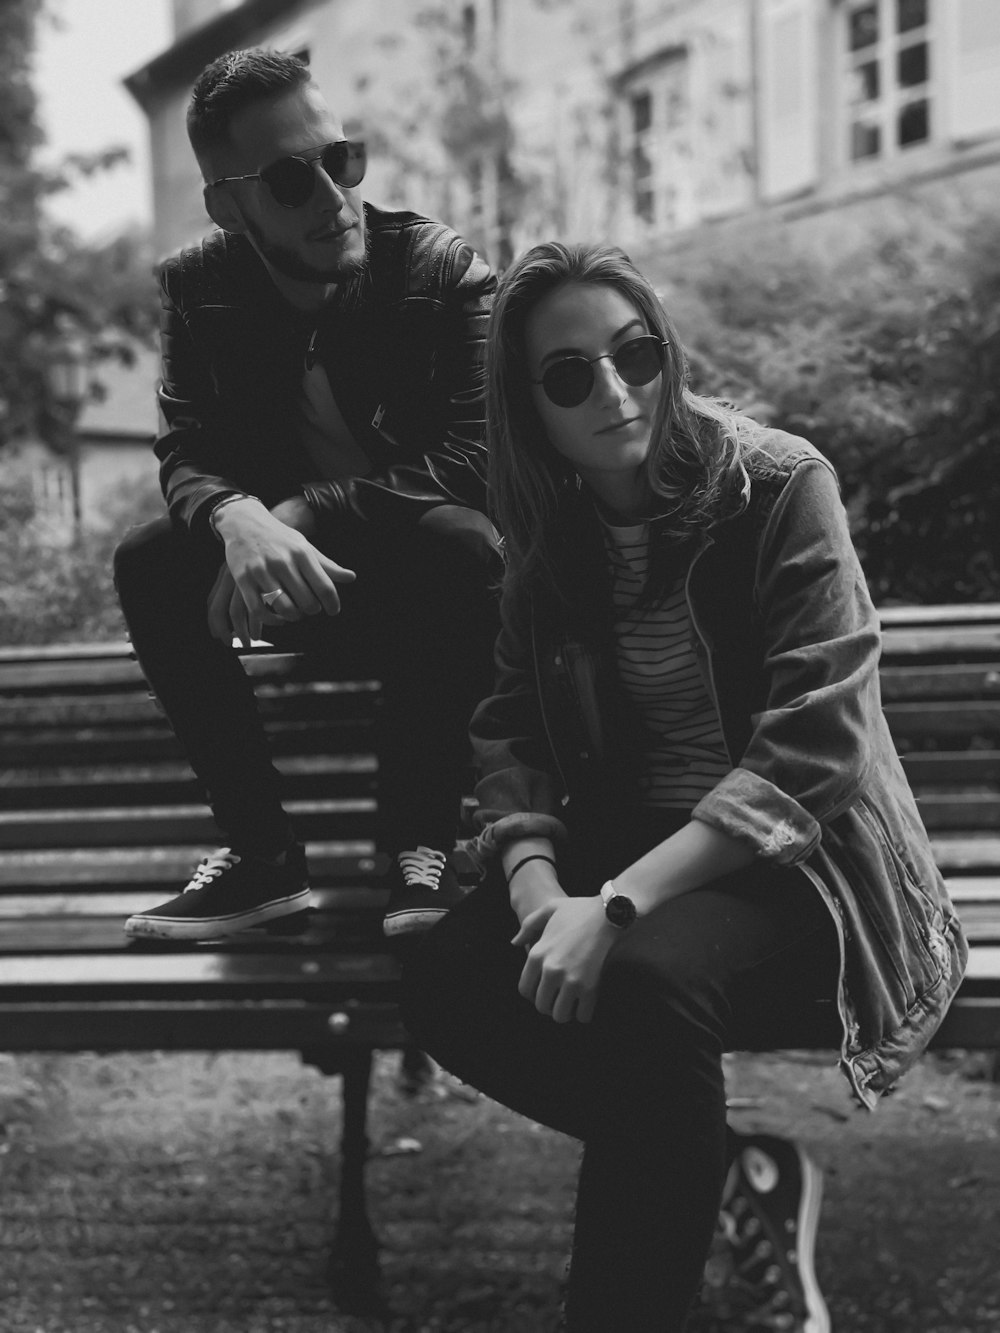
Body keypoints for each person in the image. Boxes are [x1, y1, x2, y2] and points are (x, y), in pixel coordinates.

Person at [400, 241, 968, 1332]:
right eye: (568, 374)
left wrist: (612, 906)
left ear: (665, 349)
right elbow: (508, 727)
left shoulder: (779, 487)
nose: (613, 391)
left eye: (634, 354)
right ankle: (725, 1165)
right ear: (530, 409)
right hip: (641, 851)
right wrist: (536, 900)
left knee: (649, 986)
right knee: (447, 978)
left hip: (806, 866)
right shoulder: (549, 538)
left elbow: (818, 741)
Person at [114, 48, 501, 942]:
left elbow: (478, 455)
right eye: (292, 179)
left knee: (461, 539)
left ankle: (422, 847)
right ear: (228, 204)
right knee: (149, 560)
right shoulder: (195, 285)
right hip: (282, 590)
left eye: (342, 160)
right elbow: (185, 445)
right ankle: (263, 860)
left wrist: (303, 511)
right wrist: (233, 515)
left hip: (432, 595)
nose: (334, 198)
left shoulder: (443, 271)